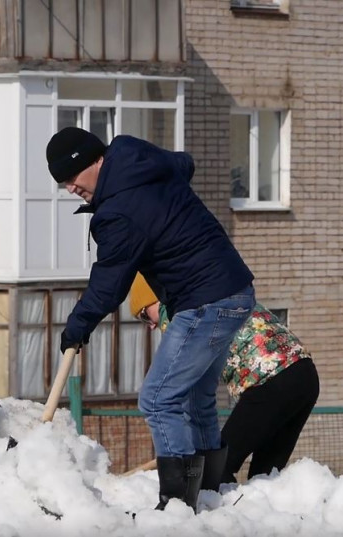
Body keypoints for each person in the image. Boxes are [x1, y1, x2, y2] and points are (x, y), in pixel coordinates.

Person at [46, 127, 255, 511]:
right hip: (233, 290)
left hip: (206, 298)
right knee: (195, 396)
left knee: (158, 399)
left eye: (72, 177)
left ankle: (176, 504)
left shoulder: (120, 210)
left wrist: (77, 326)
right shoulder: (141, 163)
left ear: (96, 161)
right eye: (63, 183)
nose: (70, 188)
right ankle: (209, 490)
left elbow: (110, 283)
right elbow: (184, 164)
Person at [130, 273, 319, 488]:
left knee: (218, 468)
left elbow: (184, 382)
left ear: (157, 299)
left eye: (145, 316)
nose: (150, 326)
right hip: (305, 375)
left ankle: (217, 513)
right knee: (266, 475)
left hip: (269, 383)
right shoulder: (218, 296)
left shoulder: (176, 313)